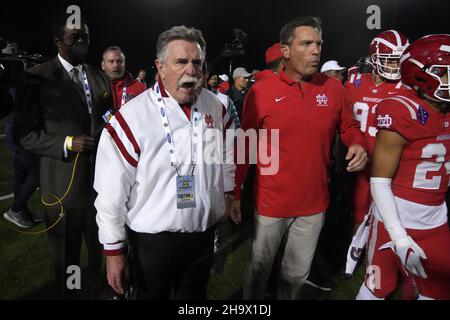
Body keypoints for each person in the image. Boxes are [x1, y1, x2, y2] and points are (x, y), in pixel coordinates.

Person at [230, 16, 368, 300]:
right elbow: (246, 144)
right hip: (271, 203)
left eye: (318, 43)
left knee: (295, 275)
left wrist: (357, 143)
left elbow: (349, 126)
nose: (316, 50)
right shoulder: (262, 91)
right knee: (259, 270)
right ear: (285, 50)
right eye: (306, 43)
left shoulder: (333, 89)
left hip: (314, 204)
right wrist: (235, 192)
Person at [94, 25, 236, 300]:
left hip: (204, 234)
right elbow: (111, 192)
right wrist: (113, 250)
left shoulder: (215, 106)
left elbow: (229, 151)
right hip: (153, 242)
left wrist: (228, 192)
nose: (191, 70)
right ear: (160, 66)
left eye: (197, 62)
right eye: (181, 61)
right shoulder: (132, 117)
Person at [12, 13, 111, 297]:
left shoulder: (98, 75)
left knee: (100, 254)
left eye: (86, 38)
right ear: (58, 42)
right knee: (68, 263)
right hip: (62, 189)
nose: (82, 43)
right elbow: (23, 135)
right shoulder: (38, 77)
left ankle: (96, 290)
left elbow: (105, 117)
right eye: (74, 38)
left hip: (100, 188)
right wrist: (67, 142)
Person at [356, 34, 450, 300]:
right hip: (393, 220)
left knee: (439, 292)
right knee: (377, 288)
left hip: (436, 221)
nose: (448, 81)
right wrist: (399, 237)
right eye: (443, 74)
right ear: (422, 76)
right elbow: (380, 180)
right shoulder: (401, 109)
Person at [343, 30, 411, 277]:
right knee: (358, 209)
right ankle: (355, 249)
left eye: (400, 59)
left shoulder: (406, 89)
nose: (396, 65)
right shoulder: (355, 83)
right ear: (376, 57)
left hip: (389, 164)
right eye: (392, 59)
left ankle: (383, 256)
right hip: (357, 160)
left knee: (388, 212)